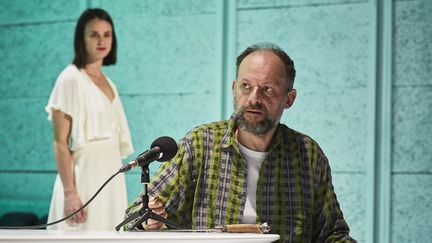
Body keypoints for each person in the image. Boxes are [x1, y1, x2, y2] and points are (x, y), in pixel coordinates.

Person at [124, 42, 356, 242]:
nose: (254, 98)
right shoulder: (200, 145)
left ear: (289, 98)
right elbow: (133, 217)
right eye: (246, 86)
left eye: (267, 89)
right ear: (234, 89)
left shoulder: (308, 155)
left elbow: (332, 234)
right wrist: (147, 222)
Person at [45, 8, 134, 230]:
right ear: (81, 38)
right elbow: (60, 143)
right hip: (82, 181)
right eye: (93, 34)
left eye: (107, 34)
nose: (101, 40)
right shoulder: (70, 79)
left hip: (110, 178)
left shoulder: (109, 83)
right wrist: (69, 193)